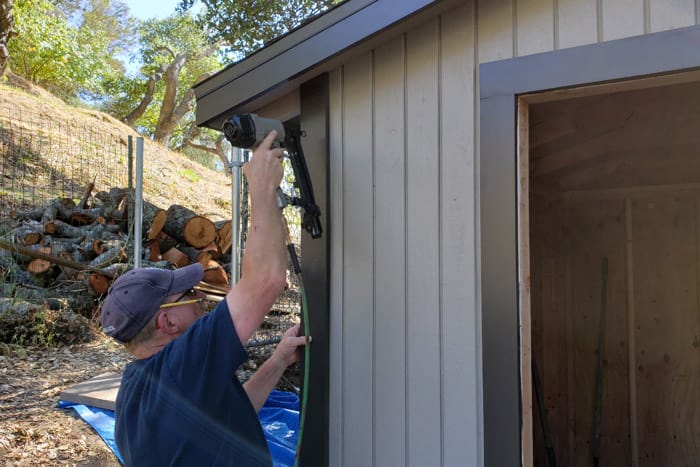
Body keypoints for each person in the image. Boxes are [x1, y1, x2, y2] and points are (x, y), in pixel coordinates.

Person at [99, 130, 309, 466]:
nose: (201, 298)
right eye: (189, 294)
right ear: (166, 321)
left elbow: (226, 418)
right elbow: (266, 279)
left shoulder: (137, 386)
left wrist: (278, 361)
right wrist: (260, 187)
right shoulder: (181, 363)